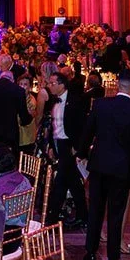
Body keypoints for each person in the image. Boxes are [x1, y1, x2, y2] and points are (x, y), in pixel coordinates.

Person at [81, 71, 130, 260]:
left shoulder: (100, 105)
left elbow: (88, 132)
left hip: (99, 164)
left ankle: (90, 253)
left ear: (117, 85)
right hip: (120, 168)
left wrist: (82, 153)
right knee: (115, 214)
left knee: (95, 210)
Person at [41, 70, 88, 230]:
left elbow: (82, 126)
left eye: (52, 83)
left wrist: (78, 148)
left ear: (62, 85)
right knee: (72, 182)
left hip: (69, 145)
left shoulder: (75, 101)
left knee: (61, 181)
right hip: (58, 144)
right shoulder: (53, 101)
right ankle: (83, 216)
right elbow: (53, 126)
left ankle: (52, 217)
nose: (49, 86)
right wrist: (51, 146)